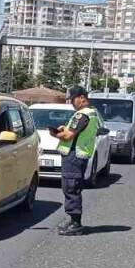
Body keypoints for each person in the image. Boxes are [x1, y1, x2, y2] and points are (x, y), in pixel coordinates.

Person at [50, 86, 101, 236]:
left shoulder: (82, 115)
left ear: (81, 98)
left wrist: (55, 134)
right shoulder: (90, 113)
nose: (72, 103)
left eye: (72, 100)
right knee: (71, 187)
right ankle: (73, 220)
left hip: (74, 156)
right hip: (76, 155)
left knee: (71, 187)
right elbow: (73, 132)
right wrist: (63, 129)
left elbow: (68, 136)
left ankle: (76, 223)